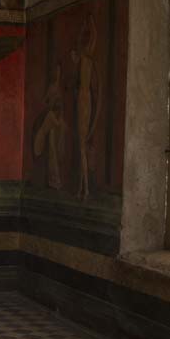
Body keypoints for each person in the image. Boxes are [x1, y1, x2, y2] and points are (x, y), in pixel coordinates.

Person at [71, 15, 101, 200]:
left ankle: (85, 188)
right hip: (81, 99)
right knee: (80, 145)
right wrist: (85, 26)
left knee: (82, 145)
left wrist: (89, 23)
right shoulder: (82, 60)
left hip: (85, 99)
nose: (73, 56)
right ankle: (83, 187)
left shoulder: (87, 58)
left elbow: (93, 38)